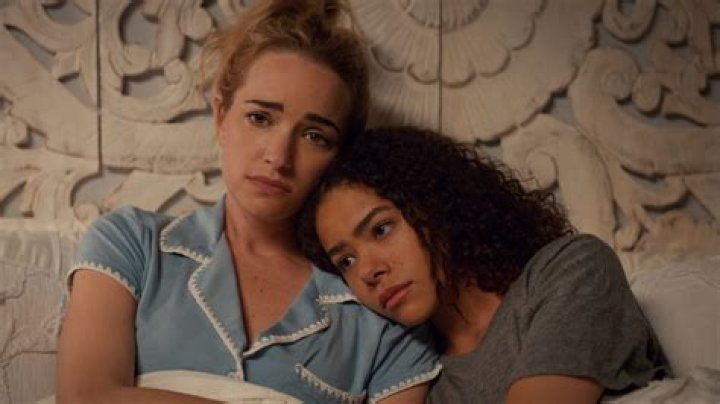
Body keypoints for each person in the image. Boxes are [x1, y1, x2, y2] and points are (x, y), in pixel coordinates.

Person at [56, 2, 439, 402]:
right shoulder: (132, 243)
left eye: (315, 136)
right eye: (260, 118)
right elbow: (86, 397)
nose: (279, 156)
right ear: (221, 116)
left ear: (340, 154)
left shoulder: (384, 313)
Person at [298, 126, 669, 403]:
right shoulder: (414, 377)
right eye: (346, 260)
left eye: (381, 229)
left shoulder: (573, 269)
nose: (367, 271)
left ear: (435, 204)